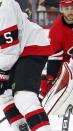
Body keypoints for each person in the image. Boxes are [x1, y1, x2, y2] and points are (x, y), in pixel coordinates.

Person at [0, 0, 54, 130]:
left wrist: (2, 74)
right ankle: (21, 127)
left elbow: (10, 48)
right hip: (15, 52)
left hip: (30, 46)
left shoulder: (4, 6)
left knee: (24, 96)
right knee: (4, 95)